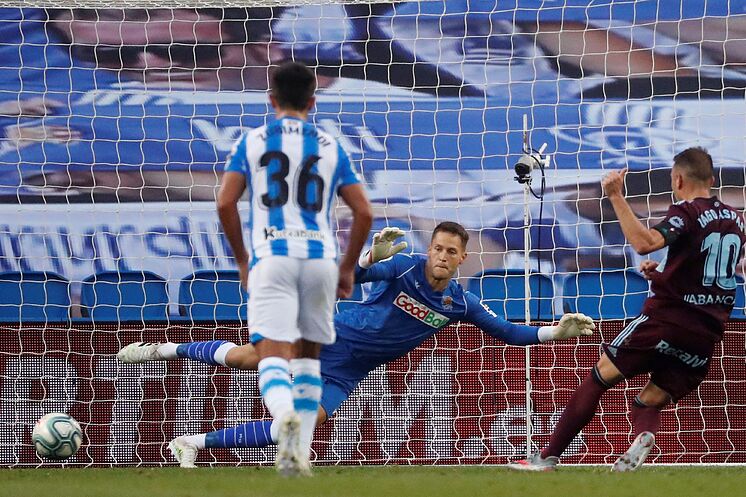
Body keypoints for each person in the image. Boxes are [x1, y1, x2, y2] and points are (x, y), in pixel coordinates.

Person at [118, 222, 596, 468]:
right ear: (430, 249)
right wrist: (369, 256)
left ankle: (191, 443)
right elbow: (357, 277)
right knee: (250, 357)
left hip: (348, 370)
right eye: (438, 248)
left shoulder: (460, 303)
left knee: (300, 427)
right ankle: (164, 350)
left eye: (452, 252)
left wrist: (555, 332)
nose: (442, 256)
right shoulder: (404, 266)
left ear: (462, 259)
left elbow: (509, 333)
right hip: (327, 331)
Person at [508, 147, 746, 472]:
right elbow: (706, 271)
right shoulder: (737, 219)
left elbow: (645, 243)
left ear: (677, 180)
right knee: (648, 401)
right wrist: (662, 274)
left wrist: (615, 196)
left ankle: (546, 457)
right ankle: (644, 434)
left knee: (597, 380)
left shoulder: (686, 212)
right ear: (713, 180)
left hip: (666, 320)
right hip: (705, 334)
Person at [206, 61, 372, 476]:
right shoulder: (331, 145)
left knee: (272, 355)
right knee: (309, 360)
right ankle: (297, 457)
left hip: (273, 256)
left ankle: (283, 418)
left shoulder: (252, 140)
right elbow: (364, 212)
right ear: (313, 102)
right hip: (320, 260)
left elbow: (225, 202)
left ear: (271, 99)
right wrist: (347, 268)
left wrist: (242, 259)